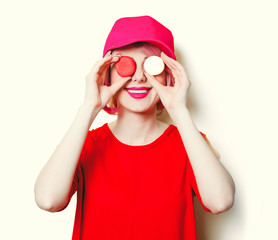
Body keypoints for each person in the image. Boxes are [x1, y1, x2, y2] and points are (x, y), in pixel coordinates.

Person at [34, 15, 235, 240]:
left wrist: (179, 110)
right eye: (125, 65)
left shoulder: (190, 144)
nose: (139, 77)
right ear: (106, 74)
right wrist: (89, 107)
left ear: (169, 74)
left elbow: (221, 201)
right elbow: (48, 200)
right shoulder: (85, 144)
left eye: (151, 65)